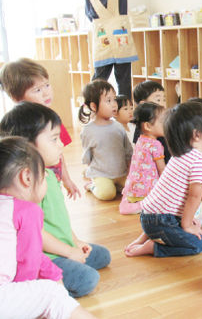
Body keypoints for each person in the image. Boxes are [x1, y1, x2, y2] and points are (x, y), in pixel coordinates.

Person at [0, 102, 111, 298]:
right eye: (53, 139)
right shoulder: (27, 189)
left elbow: (60, 218)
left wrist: (76, 242)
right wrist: (69, 252)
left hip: (64, 246)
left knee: (102, 255)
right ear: (27, 145)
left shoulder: (49, 176)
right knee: (88, 279)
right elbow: (37, 235)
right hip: (47, 255)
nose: (61, 144)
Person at [124, 101, 202, 257]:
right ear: (196, 134)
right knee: (198, 244)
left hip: (150, 216)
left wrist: (188, 219)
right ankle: (153, 247)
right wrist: (186, 225)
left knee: (193, 225)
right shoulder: (200, 161)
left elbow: (173, 197)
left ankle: (146, 236)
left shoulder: (180, 155)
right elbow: (194, 196)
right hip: (160, 220)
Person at [0, 57, 81, 200]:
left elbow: (59, 154)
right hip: (30, 186)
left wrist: (66, 179)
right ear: (15, 97)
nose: (46, 93)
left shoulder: (51, 119)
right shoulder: (16, 124)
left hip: (52, 181)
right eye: (37, 90)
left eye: (47, 85)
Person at [79, 80, 133, 201]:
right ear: (93, 106)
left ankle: (117, 185)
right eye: (108, 101)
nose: (114, 104)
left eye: (114, 99)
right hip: (101, 174)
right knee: (108, 194)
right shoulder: (88, 130)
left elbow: (128, 151)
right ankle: (92, 185)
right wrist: (91, 171)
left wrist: (130, 173)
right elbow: (88, 156)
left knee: (135, 189)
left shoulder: (118, 126)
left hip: (121, 173)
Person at [84, 0, 139, 98]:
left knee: (99, 80)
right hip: (120, 33)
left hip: (102, 35)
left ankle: (92, 108)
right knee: (124, 81)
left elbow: (88, 13)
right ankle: (125, 112)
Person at [119, 102, 165, 215]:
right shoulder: (156, 145)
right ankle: (144, 204)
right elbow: (162, 170)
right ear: (148, 126)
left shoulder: (140, 140)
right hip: (148, 190)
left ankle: (134, 202)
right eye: (163, 122)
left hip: (133, 187)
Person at [132, 80, 170, 162]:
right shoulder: (142, 128)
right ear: (143, 104)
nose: (163, 104)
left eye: (164, 99)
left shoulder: (165, 122)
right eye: (158, 100)